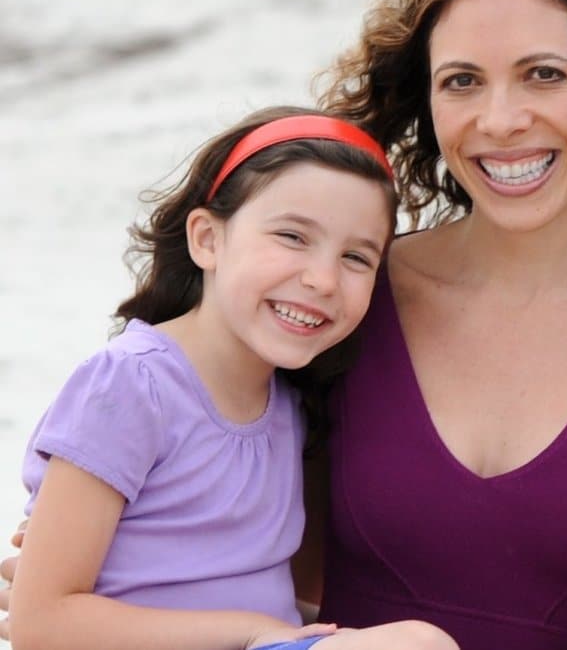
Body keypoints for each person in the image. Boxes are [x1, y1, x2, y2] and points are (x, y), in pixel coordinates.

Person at [1, 0, 567, 649]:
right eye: (462, 82)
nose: (501, 118)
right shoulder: (342, 295)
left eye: (543, 74)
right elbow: (216, 490)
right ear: (430, 104)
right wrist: (97, 569)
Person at [6, 107, 458, 650]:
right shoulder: (131, 384)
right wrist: (253, 631)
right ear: (207, 239)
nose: (321, 279)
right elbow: (40, 623)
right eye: (292, 236)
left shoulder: (291, 400)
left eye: (356, 257)